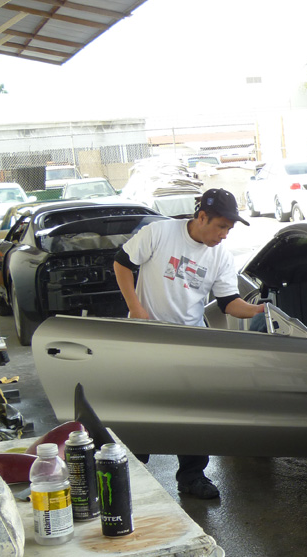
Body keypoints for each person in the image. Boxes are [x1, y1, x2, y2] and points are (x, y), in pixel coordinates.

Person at [113, 188, 265, 500]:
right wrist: (136, 308)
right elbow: (122, 263)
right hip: (147, 337)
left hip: (190, 340)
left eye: (229, 229)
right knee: (143, 407)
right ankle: (132, 474)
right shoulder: (160, 233)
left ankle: (192, 477)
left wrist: (258, 311)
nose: (224, 235)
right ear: (202, 217)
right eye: (221, 226)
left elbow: (228, 302)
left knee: (192, 411)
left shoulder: (221, 257)